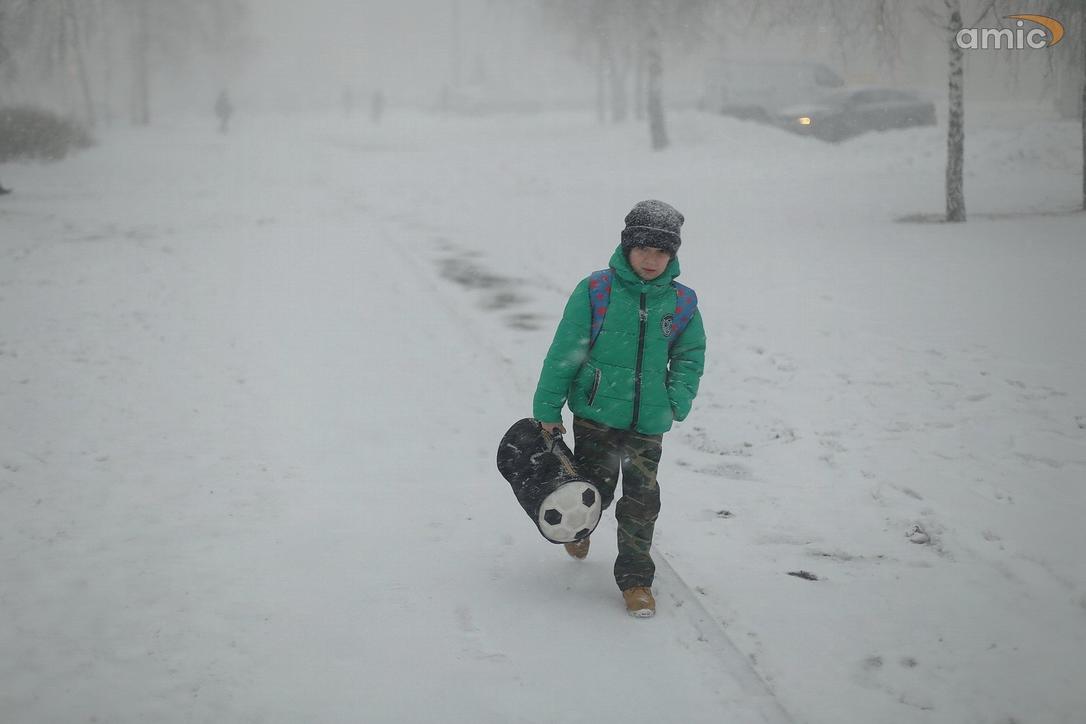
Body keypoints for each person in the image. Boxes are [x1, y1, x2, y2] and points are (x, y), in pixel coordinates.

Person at [532, 200, 706, 618]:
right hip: (597, 415)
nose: (651, 259)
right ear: (627, 246)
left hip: (649, 422)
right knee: (597, 489)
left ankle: (636, 580)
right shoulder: (597, 291)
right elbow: (566, 351)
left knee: (642, 501)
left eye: (661, 252)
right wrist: (547, 409)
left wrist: (676, 399)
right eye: (643, 248)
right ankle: (581, 526)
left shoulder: (681, 302)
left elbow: (690, 356)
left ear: (673, 255)